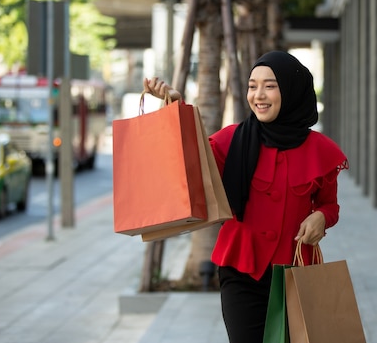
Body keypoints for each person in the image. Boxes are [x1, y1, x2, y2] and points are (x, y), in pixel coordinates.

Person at [143, 50, 348, 343]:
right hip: (240, 272)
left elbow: (330, 205)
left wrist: (321, 217)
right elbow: (190, 159)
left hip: (295, 273)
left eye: (270, 85)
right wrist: (177, 106)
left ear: (291, 90)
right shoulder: (231, 139)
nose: (258, 95)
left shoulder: (320, 151)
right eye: (252, 86)